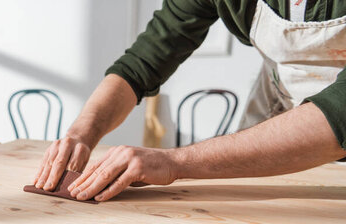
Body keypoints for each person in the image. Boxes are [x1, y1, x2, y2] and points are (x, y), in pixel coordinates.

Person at [34, 0, 346, 202]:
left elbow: (339, 115)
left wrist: (174, 162)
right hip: (279, 104)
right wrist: (82, 131)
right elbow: (145, 61)